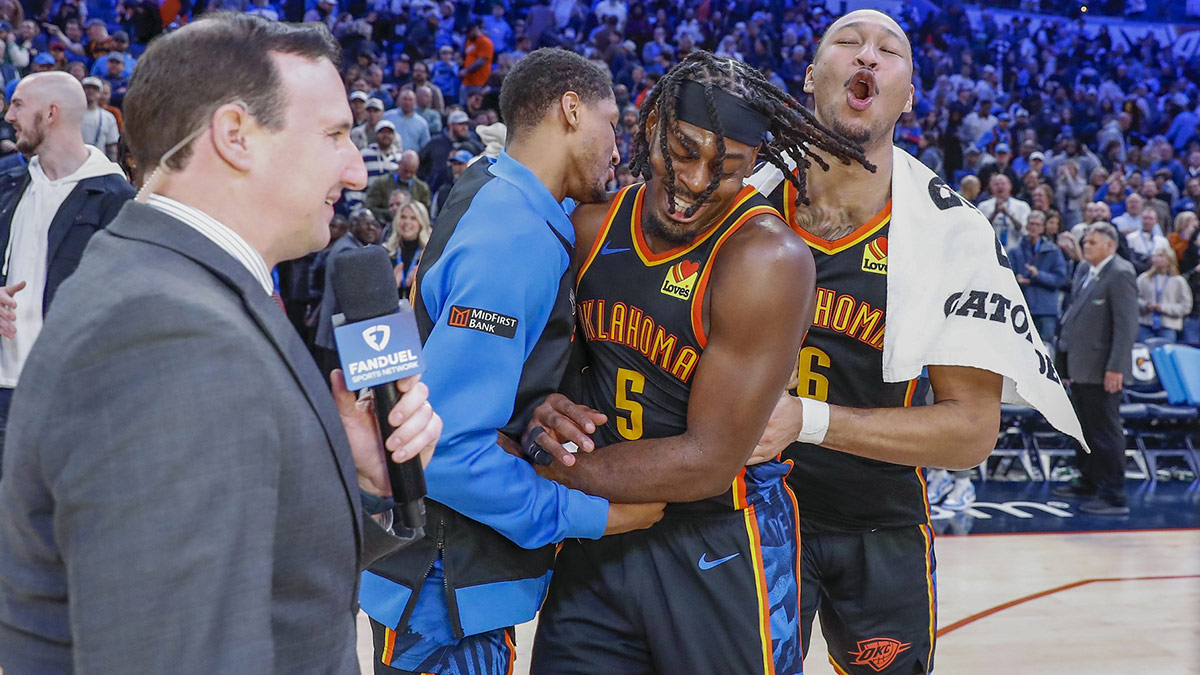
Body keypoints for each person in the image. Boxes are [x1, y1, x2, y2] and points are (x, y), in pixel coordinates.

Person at [0, 14, 441, 672]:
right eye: (333, 134)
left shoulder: (179, 286)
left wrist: (364, 480)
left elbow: (276, 584)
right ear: (235, 136)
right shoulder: (165, 332)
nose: (355, 169)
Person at [743, 10, 1080, 674]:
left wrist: (806, 420)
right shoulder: (742, 209)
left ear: (909, 92)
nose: (867, 56)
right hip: (749, 515)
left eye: (888, 50)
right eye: (848, 42)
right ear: (811, 77)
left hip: (880, 525)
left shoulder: (952, 233)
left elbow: (971, 431)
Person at [527, 50, 871, 674]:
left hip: (718, 543)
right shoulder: (591, 228)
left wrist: (536, 473)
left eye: (728, 169)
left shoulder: (767, 259)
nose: (696, 182)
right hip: (598, 539)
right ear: (653, 122)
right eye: (683, 151)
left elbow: (707, 461)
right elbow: (550, 379)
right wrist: (540, 413)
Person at [359, 48, 662, 675]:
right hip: (445, 584)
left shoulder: (491, 184)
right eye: (614, 123)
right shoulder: (514, 239)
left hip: (432, 574)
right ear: (571, 110)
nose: (619, 148)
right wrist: (594, 514)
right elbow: (438, 451)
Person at [0, 71, 133, 475]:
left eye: (18, 105)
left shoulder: (118, 201)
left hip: (74, 400)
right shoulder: (6, 184)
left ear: (51, 113)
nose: (8, 116)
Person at [1055, 223, 1138, 516]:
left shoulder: (1120, 273)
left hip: (1103, 369)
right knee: (1085, 430)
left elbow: (1126, 327)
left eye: (1091, 242)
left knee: (1105, 431)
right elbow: (1072, 318)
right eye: (1084, 241)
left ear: (1109, 245)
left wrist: (1116, 367)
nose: (1085, 245)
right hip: (1080, 367)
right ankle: (1089, 481)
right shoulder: (1084, 271)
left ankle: (1113, 494)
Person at [314, 209, 381, 376]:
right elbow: (356, 296)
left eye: (374, 224)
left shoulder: (349, 246)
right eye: (367, 224)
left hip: (338, 333)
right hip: (340, 336)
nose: (372, 228)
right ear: (353, 226)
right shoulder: (348, 251)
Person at [1009, 210, 1069, 341]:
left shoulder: (1053, 251)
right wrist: (1016, 280)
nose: (1034, 227)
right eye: (1031, 224)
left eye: (1037, 224)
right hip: (1022, 308)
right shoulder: (1015, 251)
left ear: (1043, 228)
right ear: (1026, 226)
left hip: (1045, 309)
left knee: (1046, 348)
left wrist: (1038, 275)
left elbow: (1060, 279)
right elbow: (1007, 276)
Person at [1135, 245, 1193, 343]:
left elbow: (1186, 306)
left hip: (1168, 326)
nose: (1156, 258)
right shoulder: (1144, 278)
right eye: (1155, 255)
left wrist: (1163, 308)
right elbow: (1133, 298)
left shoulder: (1179, 281)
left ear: (1169, 259)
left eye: (1161, 256)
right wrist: (1145, 305)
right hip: (1145, 324)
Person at [365, 149, 429, 221]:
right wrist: (390, 213)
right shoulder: (381, 183)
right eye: (405, 170)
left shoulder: (422, 188)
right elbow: (369, 208)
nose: (408, 175)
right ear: (399, 164)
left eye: (412, 172)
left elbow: (425, 212)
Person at [383, 198, 429, 298]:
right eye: (403, 217)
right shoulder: (385, 252)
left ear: (421, 223)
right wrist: (391, 286)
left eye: (413, 218)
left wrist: (418, 285)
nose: (407, 222)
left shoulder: (429, 255)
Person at [979, 173, 1030, 247]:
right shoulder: (983, 206)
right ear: (991, 187)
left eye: (1003, 183)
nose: (1000, 186)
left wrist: (1008, 214)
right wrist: (994, 213)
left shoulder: (1022, 206)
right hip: (991, 248)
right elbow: (981, 230)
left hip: (1015, 249)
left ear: (1010, 186)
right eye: (996, 184)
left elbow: (1025, 231)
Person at [79, 75, 119, 160]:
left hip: (99, 163)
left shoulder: (108, 117)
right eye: (87, 88)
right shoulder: (71, 114)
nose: (90, 91)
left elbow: (111, 146)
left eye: (94, 89)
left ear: (100, 93)